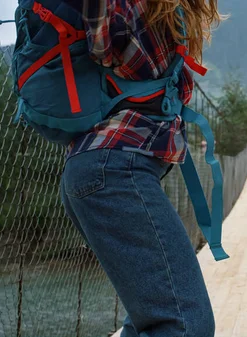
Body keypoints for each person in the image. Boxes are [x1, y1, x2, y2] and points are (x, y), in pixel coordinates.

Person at [58, 1, 222, 336]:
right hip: (114, 171)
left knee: (148, 320)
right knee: (185, 323)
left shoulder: (168, 15)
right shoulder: (130, 5)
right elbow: (100, 41)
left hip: (106, 169)